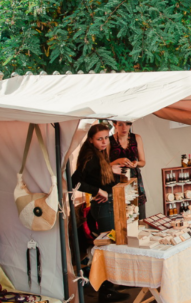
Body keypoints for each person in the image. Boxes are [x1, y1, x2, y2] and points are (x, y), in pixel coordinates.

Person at [72, 124, 128, 303]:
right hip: (103, 207)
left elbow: (96, 174)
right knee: (108, 247)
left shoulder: (98, 154)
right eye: (99, 139)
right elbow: (74, 182)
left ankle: (113, 283)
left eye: (106, 137)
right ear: (90, 140)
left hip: (109, 205)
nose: (104, 142)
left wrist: (112, 171)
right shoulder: (89, 156)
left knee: (114, 244)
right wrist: (97, 191)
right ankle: (106, 292)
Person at [109, 121, 147, 219]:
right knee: (121, 217)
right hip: (117, 182)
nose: (124, 128)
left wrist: (136, 163)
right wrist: (118, 161)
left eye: (127, 124)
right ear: (115, 125)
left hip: (135, 181)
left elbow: (142, 162)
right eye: (120, 124)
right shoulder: (109, 141)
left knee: (139, 216)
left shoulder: (136, 138)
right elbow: (104, 166)